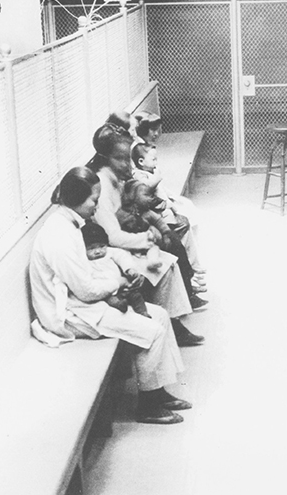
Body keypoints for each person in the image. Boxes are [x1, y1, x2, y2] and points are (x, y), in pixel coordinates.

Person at [29, 167, 192, 424]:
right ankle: (148, 406)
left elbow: (86, 283)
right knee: (152, 330)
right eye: (94, 200)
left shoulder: (69, 223)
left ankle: (158, 391)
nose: (96, 206)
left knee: (159, 315)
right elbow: (86, 290)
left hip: (81, 302)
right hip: (68, 314)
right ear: (77, 199)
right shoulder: (59, 236)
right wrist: (117, 282)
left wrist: (116, 284)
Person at [87, 123, 206, 345]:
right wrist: (147, 238)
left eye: (128, 159)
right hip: (109, 256)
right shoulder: (101, 185)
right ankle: (171, 326)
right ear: (106, 159)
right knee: (165, 264)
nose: (128, 165)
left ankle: (174, 324)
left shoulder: (117, 178)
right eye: (121, 159)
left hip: (127, 244)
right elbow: (112, 237)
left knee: (170, 255)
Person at [131, 141, 206, 286]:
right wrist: (157, 179)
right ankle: (192, 270)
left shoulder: (150, 171)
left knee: (186, 219)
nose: (156, 162)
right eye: (153, 159)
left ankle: (194, 266)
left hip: (164, 210)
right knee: (182, 225)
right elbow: (144, 191)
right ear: (141, 161)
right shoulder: (139, 174)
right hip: (156, 215)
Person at [82, 221, 150, 317]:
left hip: (122, 287)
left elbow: (122, 257)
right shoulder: (84, 261)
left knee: (136, 296)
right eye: (91, 248)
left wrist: (129, 269)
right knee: (110, 300)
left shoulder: (110, 252)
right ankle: (120, 305)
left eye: (102, 246)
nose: (98, 251)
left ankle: (143, 312)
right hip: (106, 290)